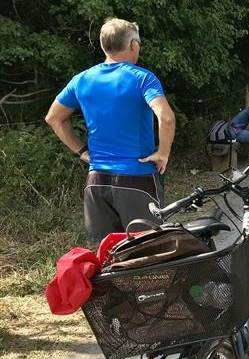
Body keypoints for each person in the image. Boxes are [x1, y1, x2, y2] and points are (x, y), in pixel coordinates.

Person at [44, 18, 176, 245]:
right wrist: (162, 153)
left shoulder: (81, 80)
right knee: (149, 254)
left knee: (105, 257)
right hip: (137, 180)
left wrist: (81, 151)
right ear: (133, 45)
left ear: (105, 46)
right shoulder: (142, 78)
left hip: (96, 183)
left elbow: (53, 118)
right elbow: (166, 117)